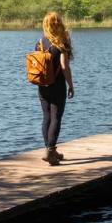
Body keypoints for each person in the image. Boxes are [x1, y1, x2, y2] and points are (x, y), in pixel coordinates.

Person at [37, 11, 75, 165]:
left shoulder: (40, 42)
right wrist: (71, 85)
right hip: (57, 85)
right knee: (56, 117)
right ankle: (51, 151)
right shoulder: (61, 43)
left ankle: (50, 150)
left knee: (46, 117)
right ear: (59, 24)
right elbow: (64, 66)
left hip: (42, 85)